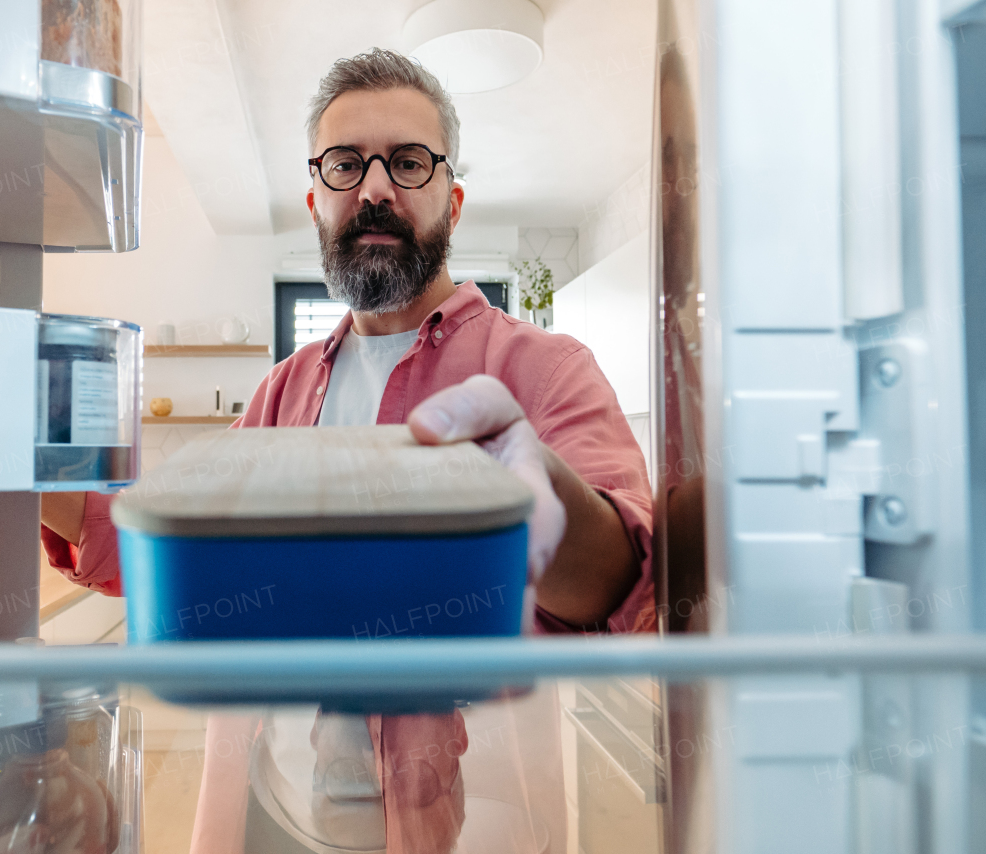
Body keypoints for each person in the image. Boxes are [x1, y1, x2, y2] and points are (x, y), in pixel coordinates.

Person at [41, 48, 653, 854]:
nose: (374, 189)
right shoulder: (281, 394)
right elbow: (160, 546)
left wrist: (533, 486)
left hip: (477, 829)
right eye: (345, 165)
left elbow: (630, 588)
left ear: (453, 201)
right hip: (277, 812)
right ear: (316, 201)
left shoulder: (544, 369)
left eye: (407, 162)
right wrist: (14, 457)